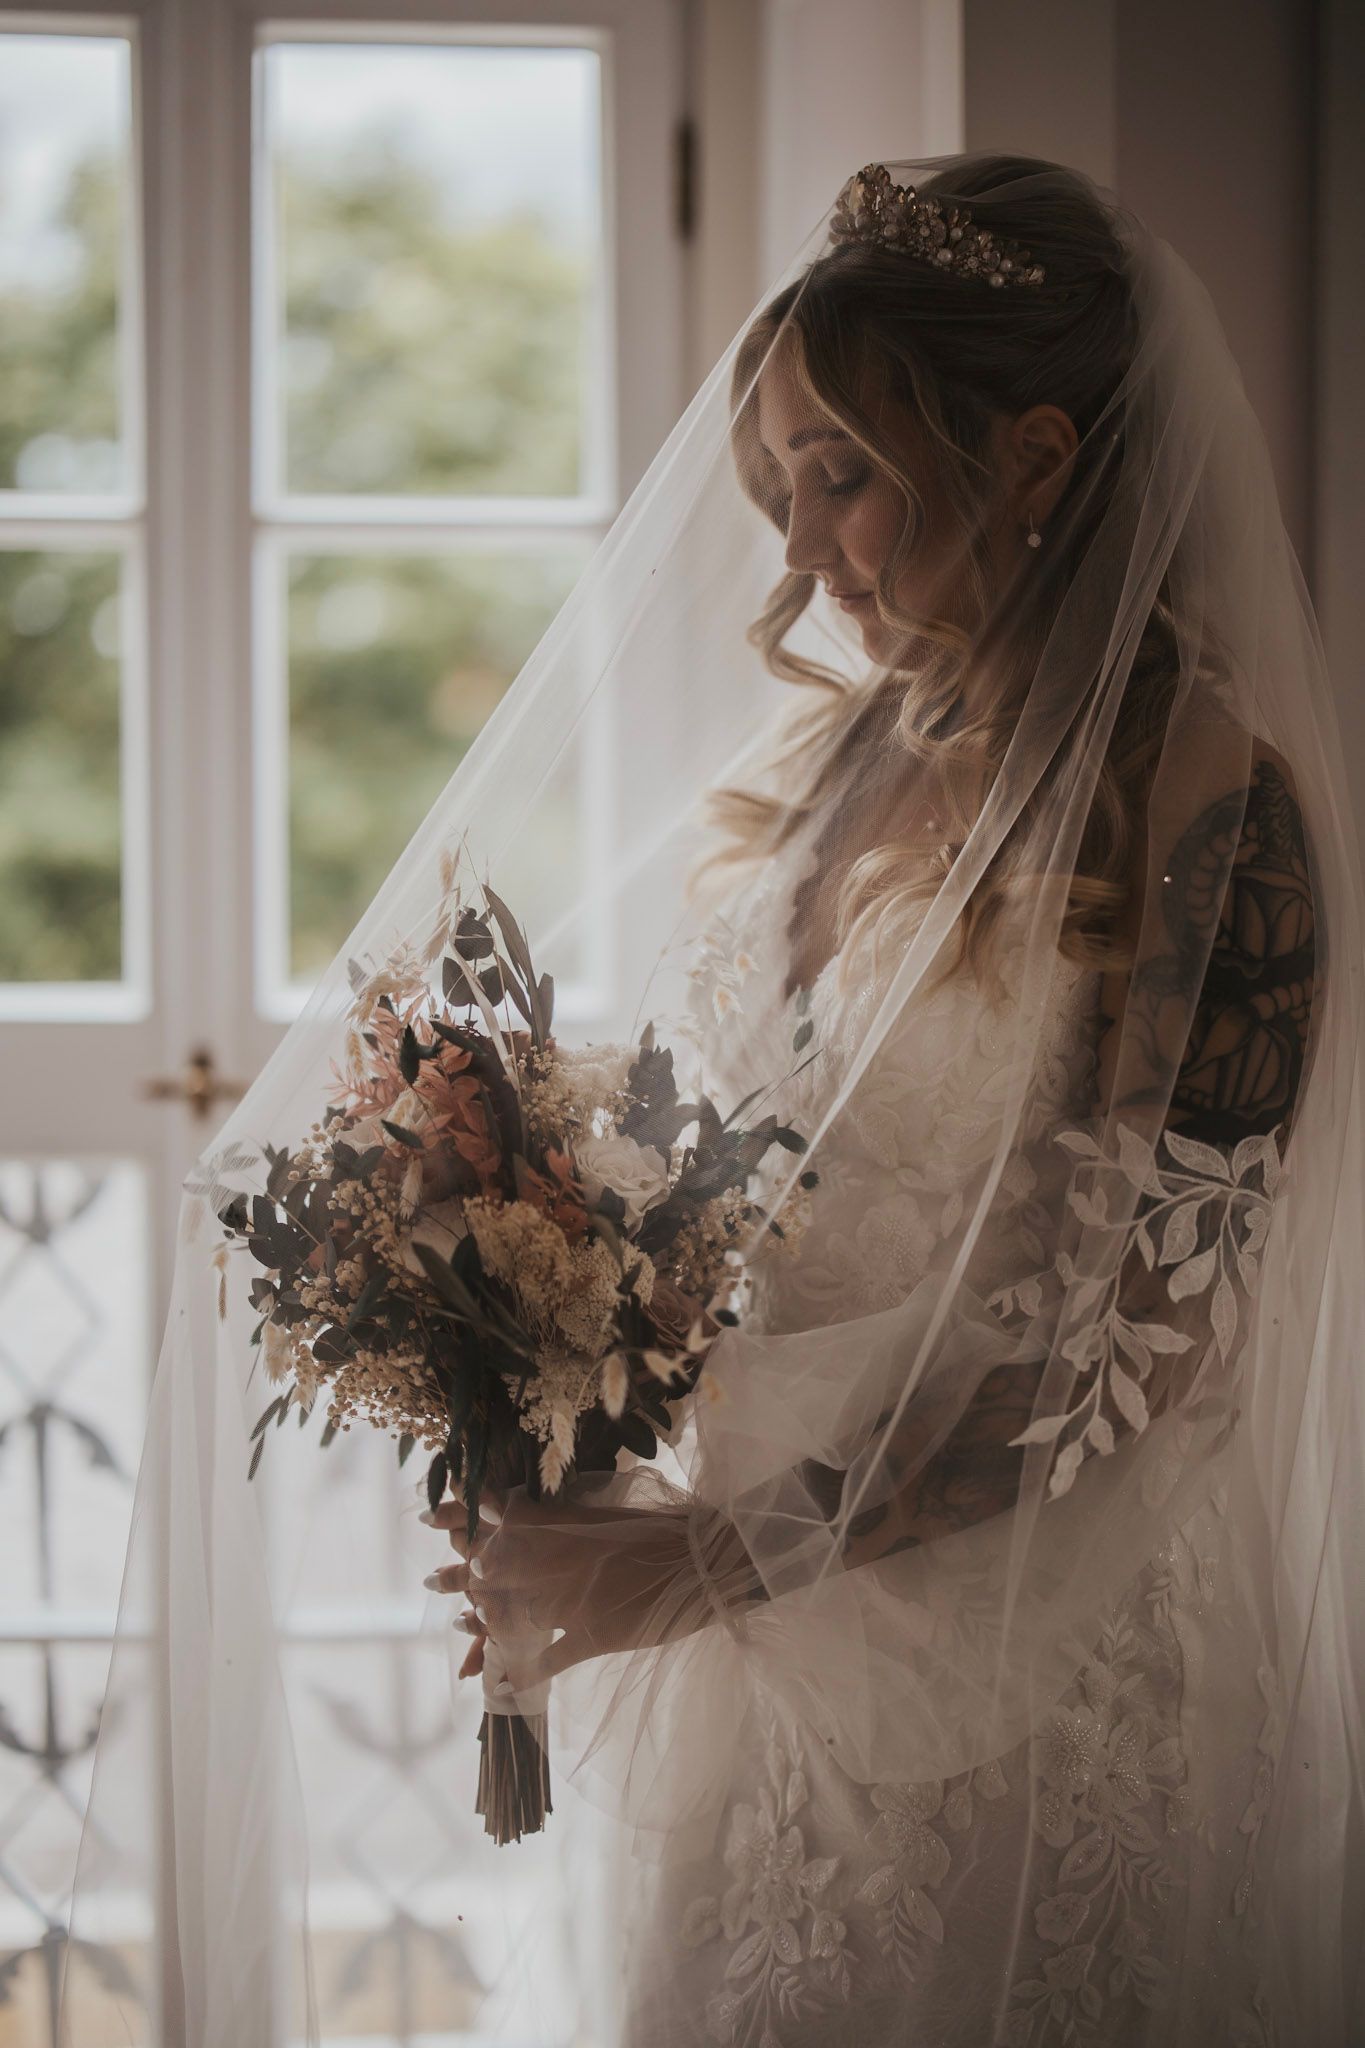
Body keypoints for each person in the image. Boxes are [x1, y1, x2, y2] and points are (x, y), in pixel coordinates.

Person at [63, 155, 1365, 2048]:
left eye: (841, 475)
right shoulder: (822, 759)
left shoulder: (1211, 818)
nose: (800, 554)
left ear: (1031, 455)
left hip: (1023, 1675)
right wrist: (546, 1370)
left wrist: (700, 1562)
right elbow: (717, 1181)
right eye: (779, 490)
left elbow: (1144, 1350)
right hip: (744, 1644)